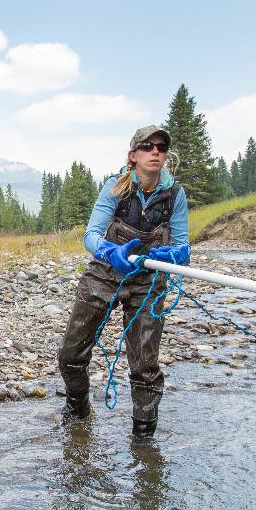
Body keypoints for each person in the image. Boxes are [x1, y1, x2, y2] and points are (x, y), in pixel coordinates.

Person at [58, 125, 190, 440]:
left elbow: (184, 248)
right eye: (148, 146)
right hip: (105, 272)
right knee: (71, 354)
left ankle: (144, 440)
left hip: (148, 282)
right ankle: (78, 409)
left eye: (161, 146)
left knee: (145, 366)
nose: (156, 151)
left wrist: (174, 255)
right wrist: (110, 250)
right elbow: (91, 234)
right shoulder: (115, 188)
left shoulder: (175, 195)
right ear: (133, 156)